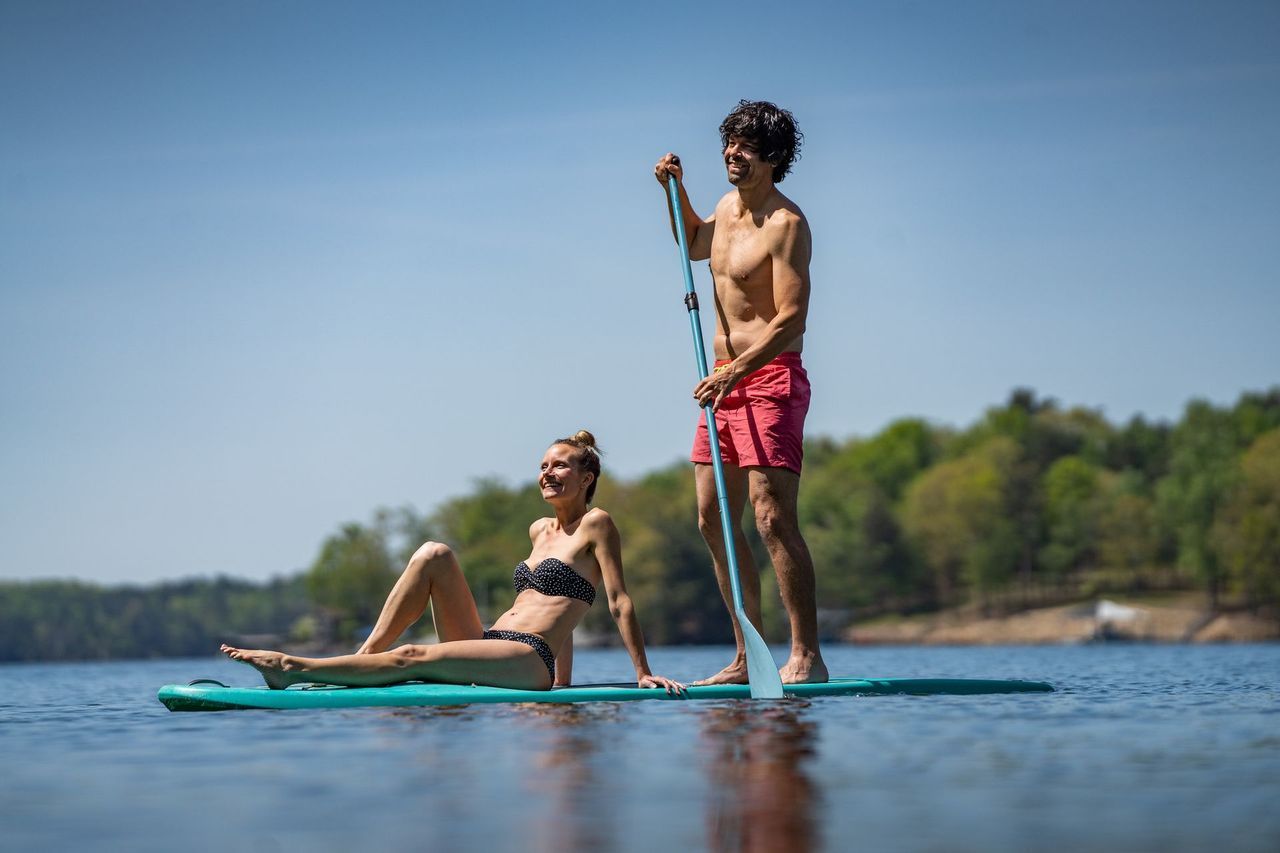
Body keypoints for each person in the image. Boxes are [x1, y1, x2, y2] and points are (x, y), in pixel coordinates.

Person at [221, 431, 686, 694]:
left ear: (587, 478)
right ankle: (361, 659)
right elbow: (552, 598)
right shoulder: (537, 530)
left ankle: (292, 667)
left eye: (560, 466)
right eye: (543, 465)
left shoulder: (597, 523)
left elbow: (616, 601)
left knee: (413, 657)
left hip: (527, 658)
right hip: (491, 643)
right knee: (434, 554)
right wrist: (566, 685)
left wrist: (641, 673)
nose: (548, 472)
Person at [654, 100, 828, 685]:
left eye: (746, 146)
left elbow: (791, 319)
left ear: (773, 158)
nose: (732, 152)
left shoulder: (788, 224)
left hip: (771, 378)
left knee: (771, 518)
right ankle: (745, 655)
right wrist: (674, 190)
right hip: (721, 383)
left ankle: (806, 656)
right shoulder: (727, 209)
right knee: (713, 519)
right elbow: (694, 242)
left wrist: (737, 370)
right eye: (729, 142)